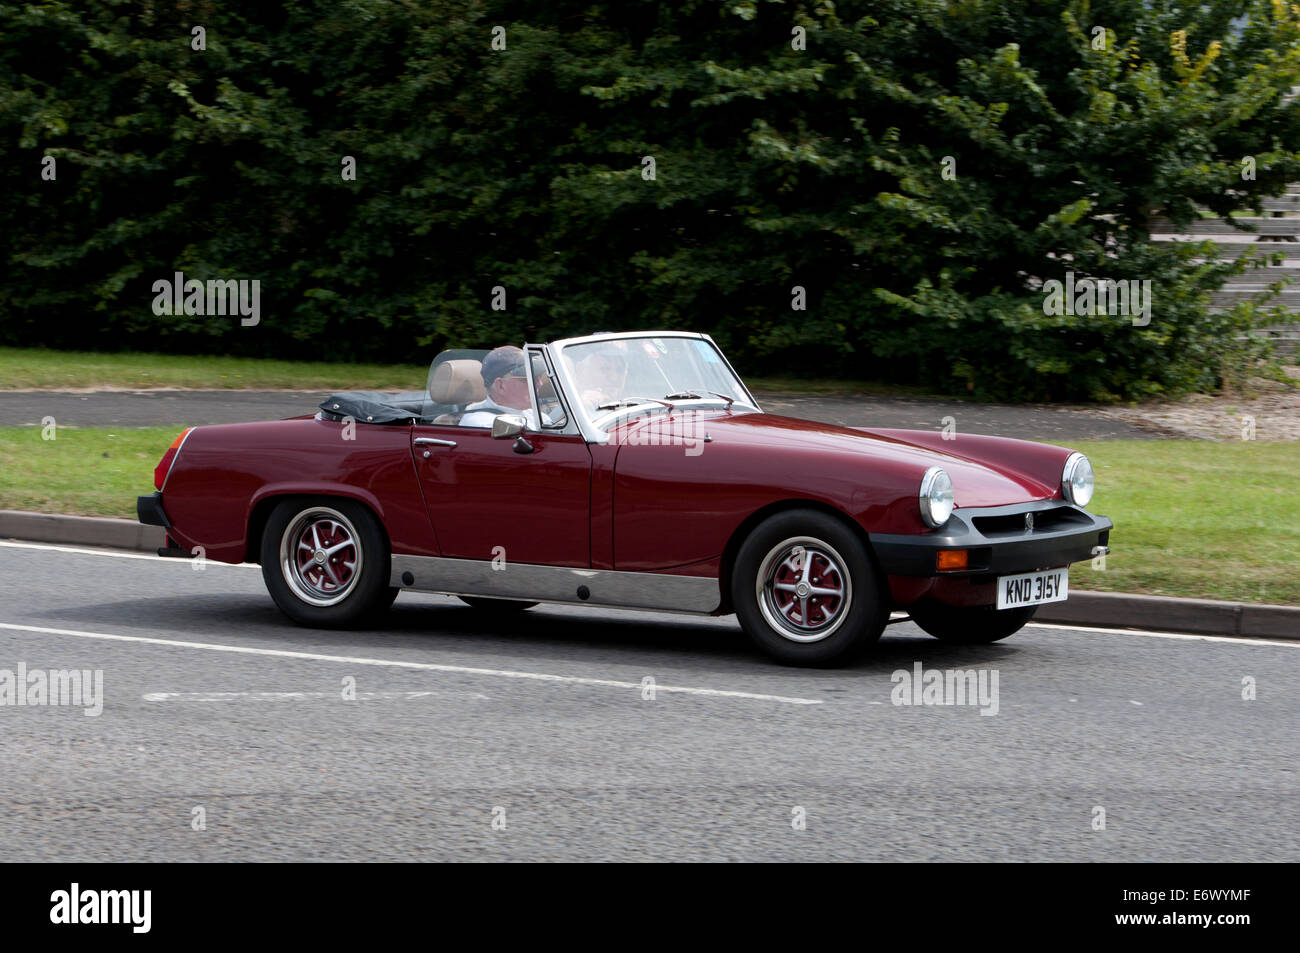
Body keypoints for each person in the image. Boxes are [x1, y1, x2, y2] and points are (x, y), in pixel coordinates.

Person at [460, 346, 541, 428]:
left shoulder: (531, 413)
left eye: (539, 376)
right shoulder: (486, 425)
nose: (539, 383)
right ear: (501, 386)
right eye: (529, 379)